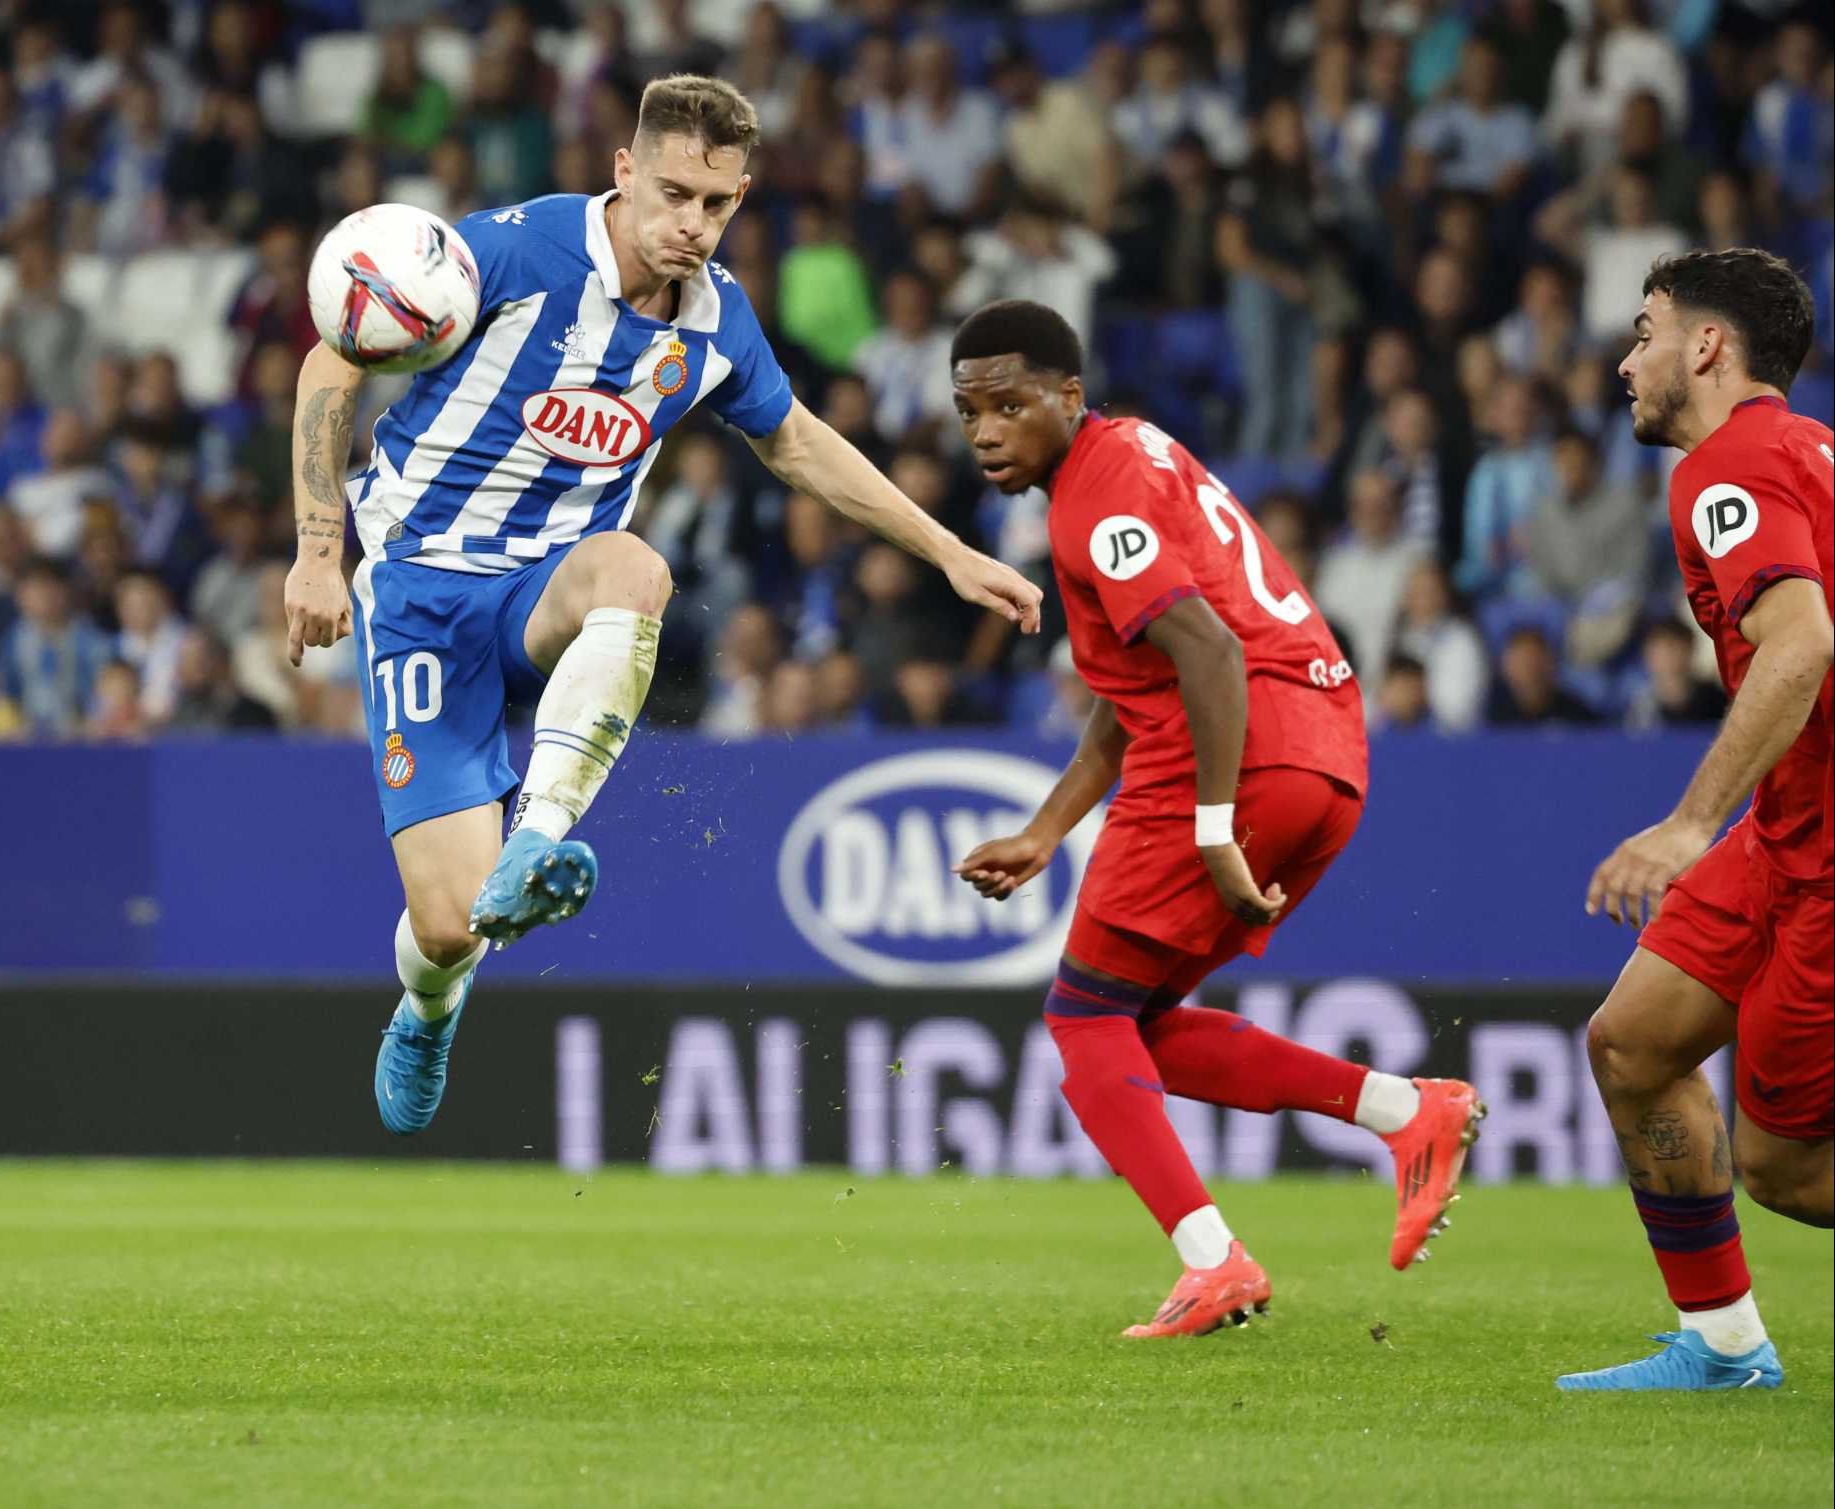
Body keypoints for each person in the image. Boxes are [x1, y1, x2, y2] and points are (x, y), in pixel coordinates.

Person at [283, 75, 1041, 1139]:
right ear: (625, 171)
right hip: (419, 596)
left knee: (636, 570)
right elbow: (335, 351)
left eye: (718, 204)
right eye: (675, 193)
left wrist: (952, 552)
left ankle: (536, 841)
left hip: (548, 587)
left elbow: (796, 441)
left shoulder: (719, 322)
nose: (693, 224)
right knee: (449, 929)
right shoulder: (512, 251)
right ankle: (429, 1003)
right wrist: (321, 549)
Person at [943, 299, 1482, 1338]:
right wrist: (1049, 830)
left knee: (1083, 1020)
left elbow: (1210, 656)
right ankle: (1406, 1111)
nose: (988, 430)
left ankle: (1215, 1262)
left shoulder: (1094, 500)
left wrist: (1212, 825)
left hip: (1244, 744)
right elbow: (1142, 676)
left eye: (1010, 404)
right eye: (970, 411)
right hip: (1326, 751)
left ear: (1067, 395)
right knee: (1135, 1027)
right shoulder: (1136, 450)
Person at [1560, 248, 1832, 1393]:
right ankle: (1723, 1345)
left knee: (1783, 1167)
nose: (1627, 362)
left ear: (1707, 348)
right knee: (1633, 1044)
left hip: (1822, 852)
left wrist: (1685, 826)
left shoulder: (1730, 465)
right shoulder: (1806, 451)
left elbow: (1804, 642)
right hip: (1787, 830)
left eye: (1645, 331)